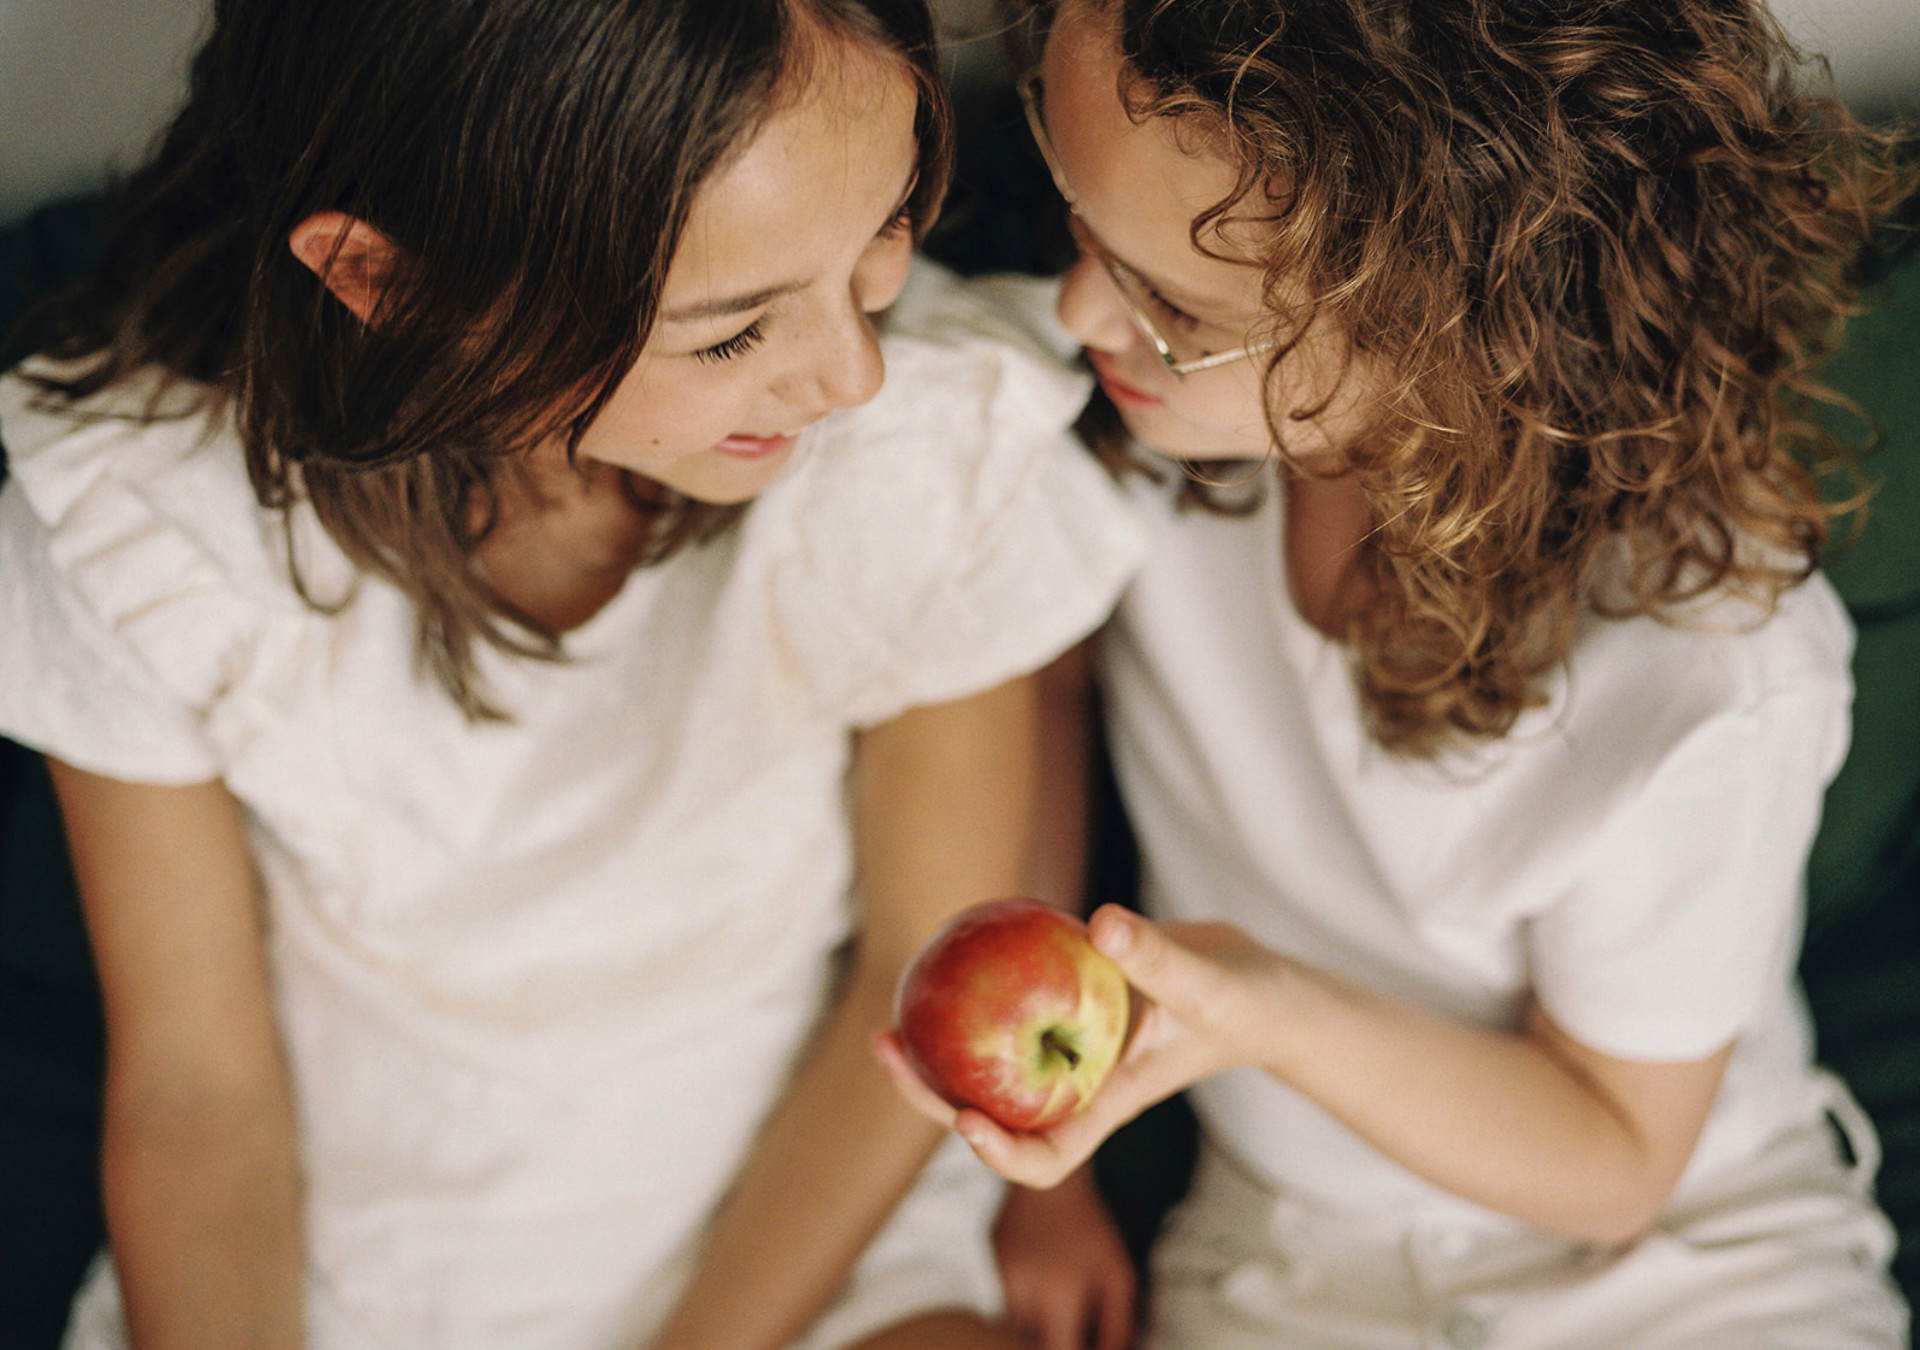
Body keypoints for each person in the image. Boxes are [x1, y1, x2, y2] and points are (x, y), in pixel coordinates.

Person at [0, 0, 1147, 1346]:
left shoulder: (914, 447)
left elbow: (913, 972)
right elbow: (198, 1091)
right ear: (388, 282)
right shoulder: (144, 516)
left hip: (807, 1239)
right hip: (368, 1270)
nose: (852, 372)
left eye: (883, 236)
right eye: (731, 335)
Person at [876, 1, 1917, 1346]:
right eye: (1082, 223)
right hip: (1283, 1257)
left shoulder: (1707, 656)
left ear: (1449, 328)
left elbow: (1616, 1158)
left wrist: (1272, 1006)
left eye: (1174, 304)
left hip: (1678, 1266)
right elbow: (1045, 680)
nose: (1084, 311)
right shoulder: (1164, 428)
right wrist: (1040, 1184)